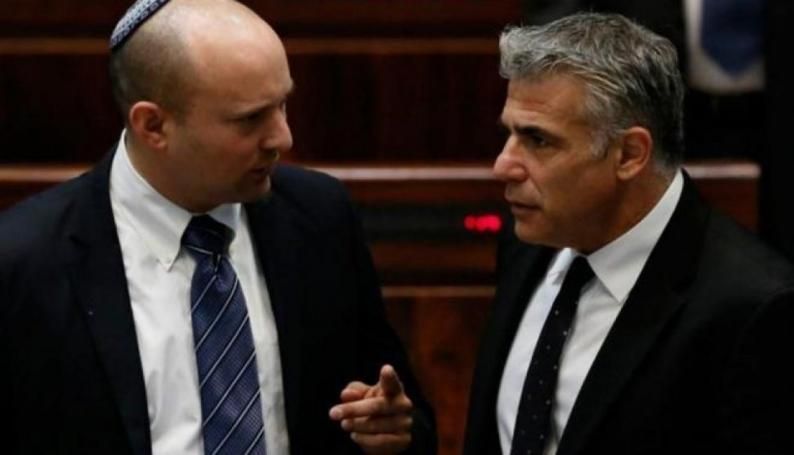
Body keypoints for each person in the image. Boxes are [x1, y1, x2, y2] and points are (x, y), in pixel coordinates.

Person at [0, 0, 436, 454]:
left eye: (283, 104)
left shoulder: (320, 219)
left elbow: (401, 415)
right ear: (153, 125)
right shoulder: (24, 264)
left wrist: (394, 432)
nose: (283, 138)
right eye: (250, 119)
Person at [463, 13, 794, 455]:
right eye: (508, 135)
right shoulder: (529, 244)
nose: (503, 166)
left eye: (538, 140)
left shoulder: (754, 308)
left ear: (630, 155)